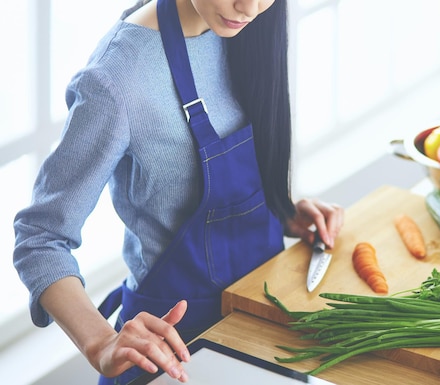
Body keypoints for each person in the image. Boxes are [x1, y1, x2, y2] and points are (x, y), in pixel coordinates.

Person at [12, 0, 344, 383]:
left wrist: (280, 209)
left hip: (266, 333)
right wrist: (100, 342)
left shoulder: (241, 28)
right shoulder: (118, 77)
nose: (250, 7)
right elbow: (40, 238)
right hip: (174, 356)